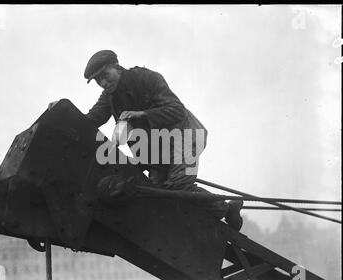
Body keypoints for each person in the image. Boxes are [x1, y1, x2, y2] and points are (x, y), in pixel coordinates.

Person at [82, 50, 243, 230]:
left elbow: (176, 110)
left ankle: (228, 209)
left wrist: (142, 114)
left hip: (185, 134)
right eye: (98, 81)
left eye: (105, 75)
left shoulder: (146, 79)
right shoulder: (109, 97)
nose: (103, 83)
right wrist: (60, 112)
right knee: (153, 193)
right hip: (157, 148)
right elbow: (91, 119)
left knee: (180, 186)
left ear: (117, 67)